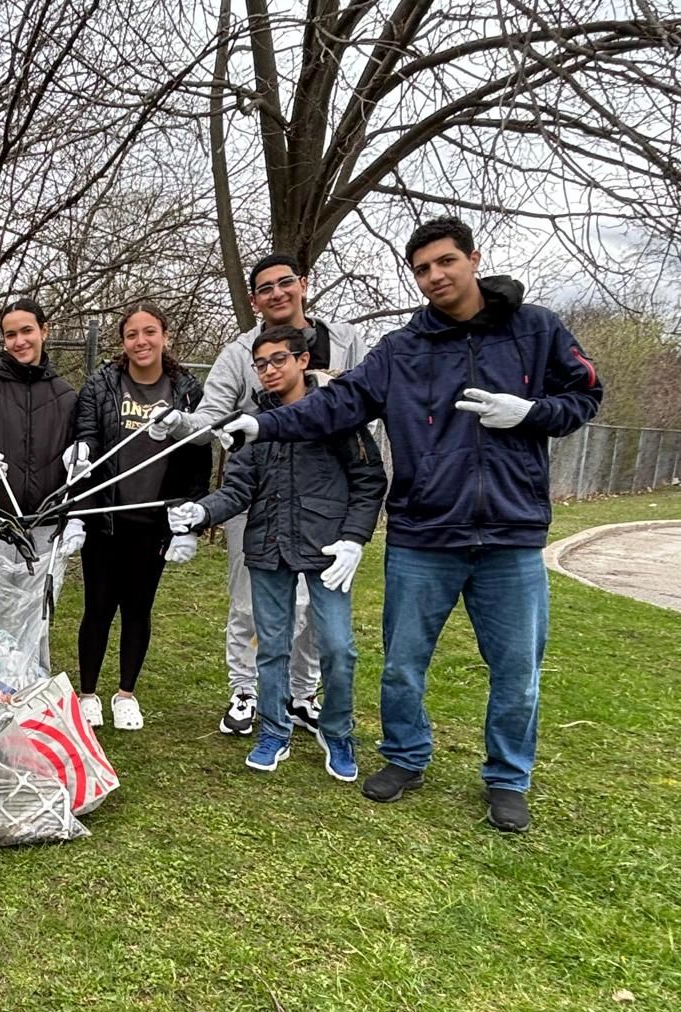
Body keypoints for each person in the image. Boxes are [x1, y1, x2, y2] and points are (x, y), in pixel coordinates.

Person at [218, 216, 602, 833]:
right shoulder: (401, 350)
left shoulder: (535, 330)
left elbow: (585, 394)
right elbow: (338, 403)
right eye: (422, 268)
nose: (435, 276)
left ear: (472, 260)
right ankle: (404, 757)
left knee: (516, 671)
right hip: (425, 531)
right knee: (402, 663)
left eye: (446, 262)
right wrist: (265, 424)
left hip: (511, 533)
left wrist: (532, 412)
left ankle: (507, 778)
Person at [169, 325, 385, 780]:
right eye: (260, 363)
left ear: (302, 360)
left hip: (325, 549)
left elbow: (369, 481)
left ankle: (338, 731)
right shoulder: (251, 423)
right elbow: (237, 490)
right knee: (270, 647)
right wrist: (199, 513)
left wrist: (354, 538)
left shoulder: (338, 412)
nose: (268, 371)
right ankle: (274, 729)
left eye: (278, 360)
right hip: (267, 547)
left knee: (338, 648)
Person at [192, 253, 373, 740]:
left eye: (285, 283)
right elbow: (211, 418)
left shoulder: (346, 342)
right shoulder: (237, 355)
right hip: (259, 500)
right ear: (254, 300)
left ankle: (302, 694)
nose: (277, 293)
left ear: (303, 285)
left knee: (317, 613)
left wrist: (357, 523)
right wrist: (180, 428)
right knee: (252, 604)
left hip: (322, 508)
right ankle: (247, 690)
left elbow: (367, 415)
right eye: (265, 288)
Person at [63, 303, 211, 731]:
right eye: (132, 334)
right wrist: (81, 460)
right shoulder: (103, 384)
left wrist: (191, 523)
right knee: (97, 607)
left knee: (138, 608)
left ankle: (125, 693)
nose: (141, 342)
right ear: (122, 341)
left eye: (150, 332)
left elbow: (198, 457)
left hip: (154, 521)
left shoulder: (186, 390)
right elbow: (86, 435)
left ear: (165, 336)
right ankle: (87, 692)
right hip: (107, 519)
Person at [0, 296, 85, 563]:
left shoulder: (66, 396)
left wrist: (80, 457)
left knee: (37, 603)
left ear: (44, 330)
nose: (19, 341)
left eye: (27, 331)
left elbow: (79, 446)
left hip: (46, 524)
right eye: (10, 334)